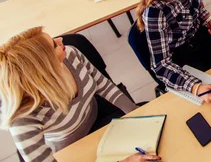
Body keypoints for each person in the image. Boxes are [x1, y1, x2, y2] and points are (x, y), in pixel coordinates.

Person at [0, 27, 159, 162]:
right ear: (45, 67)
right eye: (54, 44)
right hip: (71, 151)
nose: (61, 40)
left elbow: (102, 85)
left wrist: (136, 115)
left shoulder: (70, 54)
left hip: (98, 117)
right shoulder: (22, 118)